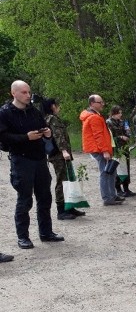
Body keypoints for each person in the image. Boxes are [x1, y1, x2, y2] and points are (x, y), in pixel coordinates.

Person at [0, 80, 63, 249]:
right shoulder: (5, 113)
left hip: (40, 158)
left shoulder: (34, 111)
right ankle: (23, 237)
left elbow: (43, 128)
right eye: (24, 92)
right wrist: (25, 137)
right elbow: (3, 139)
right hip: (21, 160)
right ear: (14, 93)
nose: (28, 95)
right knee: (25, 199)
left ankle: (46, 232)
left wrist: (47, 133)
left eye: (28, 92)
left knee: (45, 197)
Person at [43, 98, 84, 220]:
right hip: (58, 155)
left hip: (60, 154)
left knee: (68, 179)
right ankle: (61, 210)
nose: (59, 107)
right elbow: (58, 135)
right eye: (57, 105)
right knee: (62, 181)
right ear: (52, 106)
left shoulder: (50, 118)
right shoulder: (53, 119)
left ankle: (69, 207)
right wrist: (64, 151)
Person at [80, 94, 122, 206]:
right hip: (99, 149)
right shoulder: (93, 117)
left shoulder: (94, 115)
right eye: (100, 102)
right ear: (92, 104)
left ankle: (112, 195)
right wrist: (105, 151)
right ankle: (108, 198)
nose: (103, 104)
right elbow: (98, 136)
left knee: (111, 171)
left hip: (99, 148)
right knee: (105, 172)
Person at [106, 105, 135, 197]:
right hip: (116, 148)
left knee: (126, 168)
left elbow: (128, 132)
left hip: (124, 147)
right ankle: (118, 188)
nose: (120, 115)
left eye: (121, 113)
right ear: (114, 113)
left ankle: (126, 188)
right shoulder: (109, 122)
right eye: (119, 113)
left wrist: (128, 132)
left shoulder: (123, 122)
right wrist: (120, 137)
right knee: (118, 168)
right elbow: (109, 136)